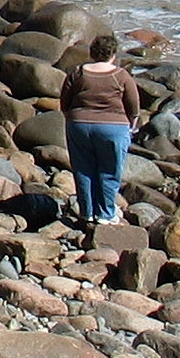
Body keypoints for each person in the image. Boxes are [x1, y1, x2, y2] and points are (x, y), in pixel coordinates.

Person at [60, 33, 141, 226]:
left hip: (79, 124)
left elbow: (64, 103)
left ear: (92, 52)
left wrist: (73, 119)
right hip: (113, 127)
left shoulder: (78, 72)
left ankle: (87, 212)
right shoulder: (120, 75)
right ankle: (105, 214)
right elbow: (133, 105)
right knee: (109, 170)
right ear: (113, 54)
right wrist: (133, 123)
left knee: (83, 169)